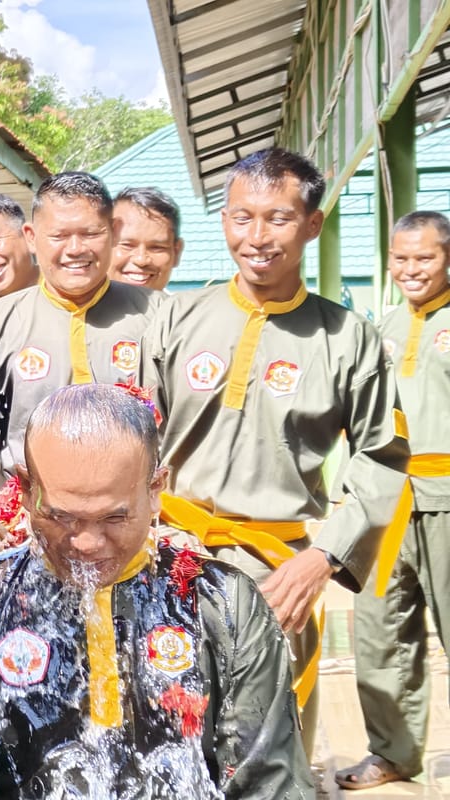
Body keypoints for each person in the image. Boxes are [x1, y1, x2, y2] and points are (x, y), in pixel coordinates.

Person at [140, 147, 410, 754]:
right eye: (241, 217)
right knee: (165, 736)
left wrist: (323, 560)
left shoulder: (347, 337)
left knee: (268, 745)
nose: (256, 237)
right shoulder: (176, 319)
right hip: (168, 556)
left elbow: (383, 456)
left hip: (276, 570)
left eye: (278, 218)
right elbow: (134, 433)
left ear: (312, 224)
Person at [0, 384, 312, 799]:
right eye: (61, 516)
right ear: (28, 489)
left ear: (156, 488)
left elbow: (270, 779)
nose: (87, 543)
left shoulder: (224, 605)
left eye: (114, 517)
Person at [0, 173, 162, 589]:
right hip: (27, 537)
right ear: (32, 235)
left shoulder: (160, 318)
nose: (75, 249)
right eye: (59, 235)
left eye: (91, 233)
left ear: (113, 231)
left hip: (138, 540)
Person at [336, 211, 450, 790]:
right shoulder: (380, 327)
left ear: (447, 257)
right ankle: (393, 752)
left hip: (449, 498)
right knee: (380, 630)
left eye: (423, 258)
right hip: (388, 503)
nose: (411, 270)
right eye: (400, 259)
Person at [109, 186, 184, 291]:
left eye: (157, 247)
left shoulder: (187, 307)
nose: (141, 260)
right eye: (127, 245)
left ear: (176, 252)